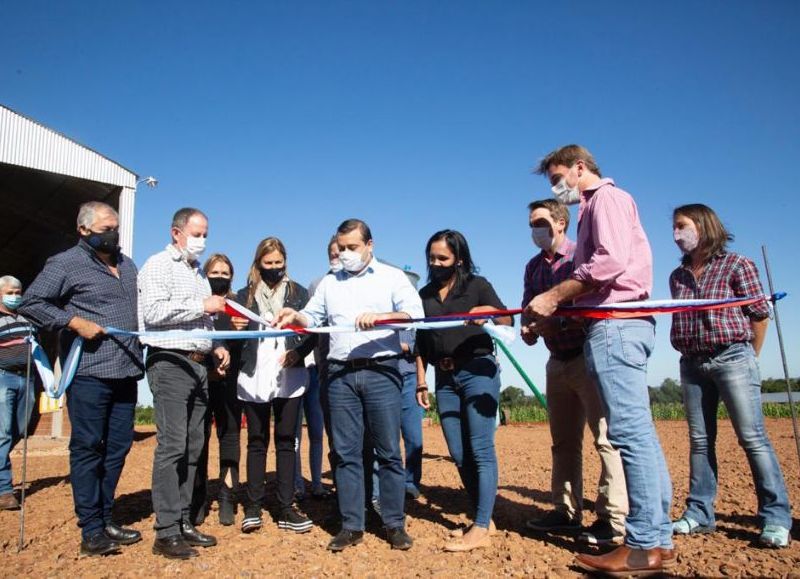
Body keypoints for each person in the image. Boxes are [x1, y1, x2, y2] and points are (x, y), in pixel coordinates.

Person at [525, 145, 674, 575]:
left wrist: (554, 294)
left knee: (627, 434)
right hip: (618, 325)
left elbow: (608, 262)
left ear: (579, 168)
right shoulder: (600, 205)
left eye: (558, 178)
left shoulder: (605, 199)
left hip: (615, 322)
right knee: (639, 433)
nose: (557, 187)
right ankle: (658, 540)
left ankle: (642, 544)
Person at [274, 219, 424, 552]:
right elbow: (312, 317)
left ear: (370, 245)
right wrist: (295, 316)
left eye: (352, 248)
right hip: (339, 375)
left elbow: (415, 313)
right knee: (345, 454)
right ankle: (351, 524)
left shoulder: (392, 277)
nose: (345, 254)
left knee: (388, 452)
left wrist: (383, 315)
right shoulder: (330, 283)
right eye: (341, 248)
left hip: (382, 372)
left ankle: (394, 524)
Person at [19, 202, 143, 556]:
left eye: (116, 227)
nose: (114, 233)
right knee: (88, 447)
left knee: (118, 447)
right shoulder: (65, 264)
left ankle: (106, 516)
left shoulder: (127, 265)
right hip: (90, 371)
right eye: (106, 227)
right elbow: (32, 302)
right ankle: (90, 528)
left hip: (128, 369)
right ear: (84, 230)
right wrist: (74, 322)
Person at [669, 204, 792, 548]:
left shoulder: (738, 265)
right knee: (700, 441)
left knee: (752, 439)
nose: (677, 234)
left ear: (704, 226)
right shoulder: (677, 276)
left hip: (733, 357)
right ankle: (699, 513)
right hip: (691, 363)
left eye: (682, 226)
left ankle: (776, 518)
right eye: (674, 229)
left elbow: (759, 314)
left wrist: (750, 357)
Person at [521, 199, 628, 544]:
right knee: (563, 442)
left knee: (605, 439)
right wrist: (530, 328)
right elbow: (529, 311)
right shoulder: (533, 268)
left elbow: (595, 305)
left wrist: (559, 321)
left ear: (561, 222)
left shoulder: (582, 259)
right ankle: (565, 511)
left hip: (588, 356)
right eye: (531, 225)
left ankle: (612, 518)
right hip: (557, 361)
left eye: (540, 222)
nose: (535, 230)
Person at [138, 207, 230, 560]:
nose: (202, 240)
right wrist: (200, 304)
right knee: (173, 446)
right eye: (197, 233)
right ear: (176, 232)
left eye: (206, 233)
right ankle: (165, 531)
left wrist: (217, 346)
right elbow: (153, 313)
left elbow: (203, 322)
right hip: (170, 362)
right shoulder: (158, 266)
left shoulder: (197, 274)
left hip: (198, 365)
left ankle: (184, 520)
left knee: (194, 446)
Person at [415, 229, 511, 552]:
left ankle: (481, 525)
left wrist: (486, 314)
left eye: (443, 258)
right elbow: (421, 343)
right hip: (444, 379)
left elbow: (507, 319)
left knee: (480, 447)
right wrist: (421, 380)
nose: (436, 263)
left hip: (478, 371)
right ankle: (485, 518)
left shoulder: (477, 286)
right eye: (432, 258)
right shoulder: (425, 295)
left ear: (458, 258)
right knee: (458, 452)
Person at [230, 237, 315, 534]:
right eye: (269, 264)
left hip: (289, 373)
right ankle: (252, 507)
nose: (274, 268)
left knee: (286, 439)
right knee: (256, 440)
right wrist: (234, 328)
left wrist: (298, 353)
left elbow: (313, 330)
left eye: (279, 263)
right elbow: (232, 337)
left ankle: (285, 507)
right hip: (254, 373)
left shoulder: (299, 293)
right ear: (258, 264)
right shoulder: (243, 297)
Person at [191, 254, 243, 526]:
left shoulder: (238, 306)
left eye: (225, 272)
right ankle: (197, 498)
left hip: (230, 381)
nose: (220, 276)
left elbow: (247, 342)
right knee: (198, 438)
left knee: (230, 437)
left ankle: (227, 496)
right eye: (215, 272)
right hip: (201, 377)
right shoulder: (198, 303)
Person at [293, 237, 339, 502]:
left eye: (341, 251)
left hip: (329, 370)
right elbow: (310, 324)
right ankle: (299, 482)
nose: (336, 256)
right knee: (298, 431)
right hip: (313, 366)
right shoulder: (316, 285)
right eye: (332, 252)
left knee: (319, 430)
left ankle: (319, 483)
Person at [0, 276, 37, 511]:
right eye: (10, 292)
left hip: (28, 378)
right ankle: (4, 490)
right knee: (2, 433)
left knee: (21, 429)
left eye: (18, 291)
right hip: (4, 377)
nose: (15, 296)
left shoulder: (26, 320)